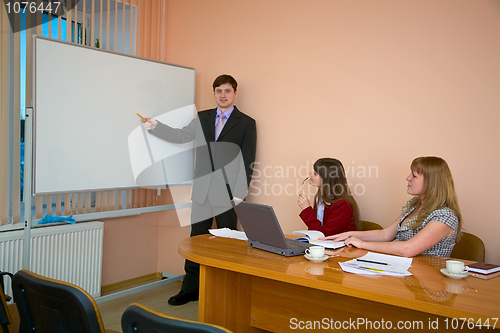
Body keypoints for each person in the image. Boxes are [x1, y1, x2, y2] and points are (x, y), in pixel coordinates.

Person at [143, 74, 257, 305]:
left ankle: (226, 293)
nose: (222, 95)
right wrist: (156, 127)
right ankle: (190, 289)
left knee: (227, 243)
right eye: (218, 91)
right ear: (214, 93)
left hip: (228, 193)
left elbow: (247, 160)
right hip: (203, 189)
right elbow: (181, 135)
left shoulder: (246, 122)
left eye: (227, 91)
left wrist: (239, 193)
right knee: (196, 241)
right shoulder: (203, 117)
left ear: (235, 93)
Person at [323, 156, 462, 257]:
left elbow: (408, 249)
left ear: (431, 183)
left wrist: (363, 244)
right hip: (406, 273)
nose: (408, 178)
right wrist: (349, 234)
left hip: (429, 282)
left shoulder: (445, 216)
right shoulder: (413, 206)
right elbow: (385, 234)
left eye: (414, 175)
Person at [297, 158, 359, 236]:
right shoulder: (320, 197)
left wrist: (306, 209)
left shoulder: (343, 205)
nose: (310, 173)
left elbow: (324, 235)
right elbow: (316, 228)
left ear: (326, 180)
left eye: (315, 174)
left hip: (339, 246)